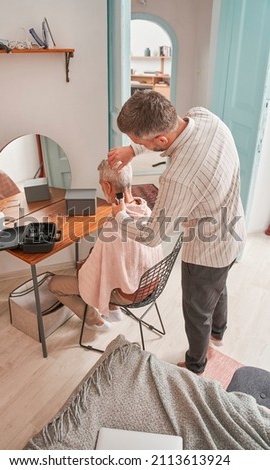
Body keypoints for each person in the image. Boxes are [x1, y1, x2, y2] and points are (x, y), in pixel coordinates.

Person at [108, 90, 246, 374]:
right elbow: (167, 136)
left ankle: (196, 365)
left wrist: (120, 217)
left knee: (196, 312)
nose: (135, 145)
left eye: (137, 141)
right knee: (218, 287)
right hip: (235, 232)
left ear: (159, 141)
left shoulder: (178, 178)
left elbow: (153, 236)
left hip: (206, 251)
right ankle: (219, 332)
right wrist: (133, 150)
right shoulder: (204, 117)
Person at [49, 158, 163, 331]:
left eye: (102, 185)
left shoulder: (115, 225)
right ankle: (113, 310)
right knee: (96, 252)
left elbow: (92, 275)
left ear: (108, 187)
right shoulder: (145, 209)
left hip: (130, 294)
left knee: (55, 284)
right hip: (151, 284)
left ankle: (96, 321)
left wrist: (83, 267)